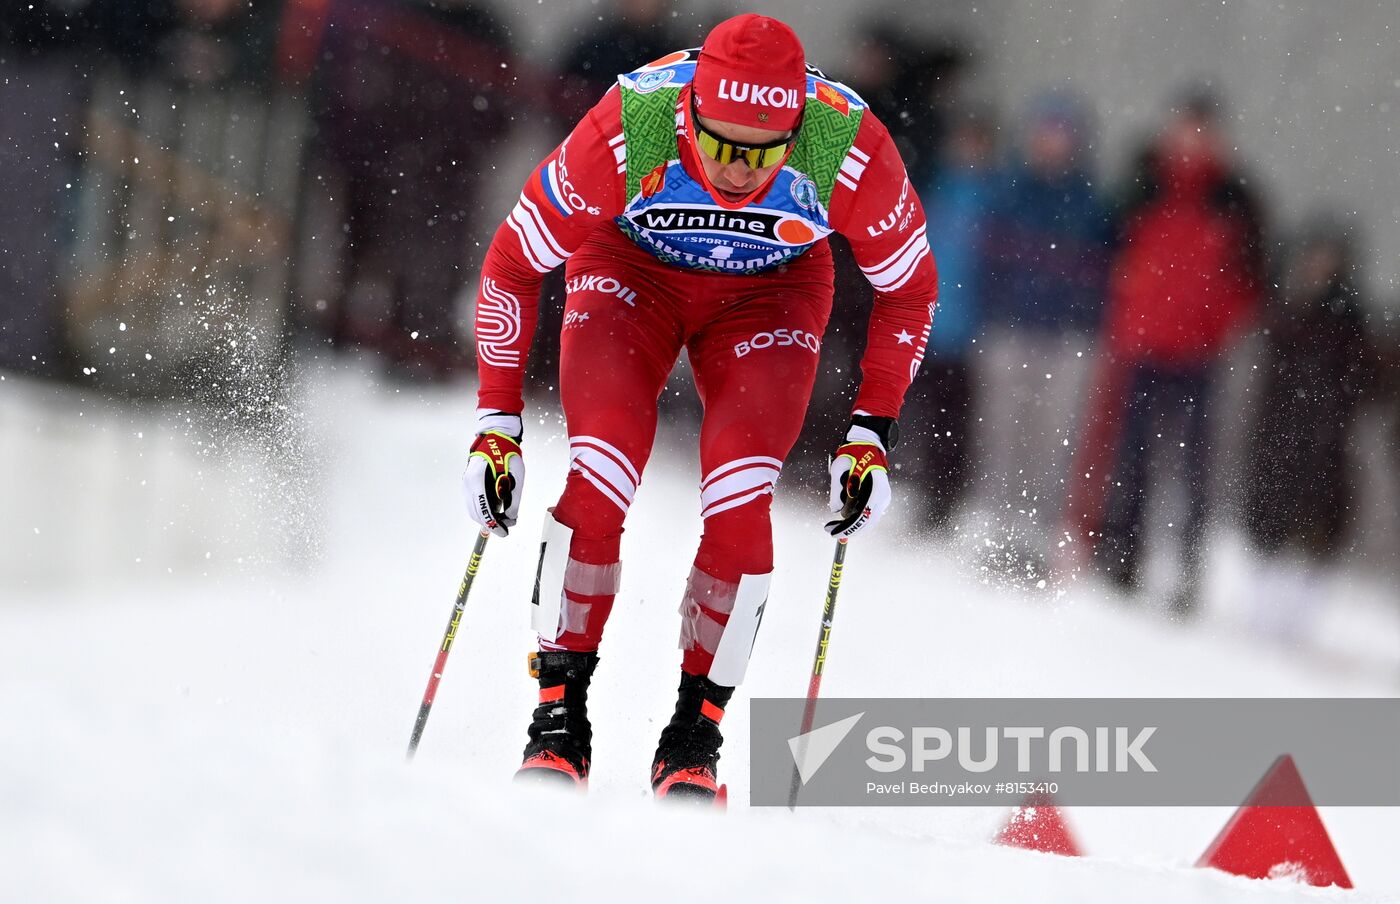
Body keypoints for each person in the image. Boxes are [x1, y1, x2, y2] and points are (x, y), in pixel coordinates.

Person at [461, 14, 936, 800]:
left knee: (741, 495)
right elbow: (512, 262)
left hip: (770, 293)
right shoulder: (634, 125)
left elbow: (910, 291)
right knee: (602, 468)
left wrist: (870, 431)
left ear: (797, 127)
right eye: (718, 144)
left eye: (763, 151)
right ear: (690, 113)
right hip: (630, 273)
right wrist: (496, 424)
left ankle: (695, 733)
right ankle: (558, 715)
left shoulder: (843, 142)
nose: (739, 169)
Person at [1084, 92, 1265, 616]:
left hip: (1200, 355)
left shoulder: (1234, 198)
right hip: (1140, 345)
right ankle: (1122, 556)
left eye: (1200, 133)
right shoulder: (1144, 185)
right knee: (1131, 458)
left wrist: (1216, 321)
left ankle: (1186, 570)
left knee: (1192, 469)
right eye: (1183, 131)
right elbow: (1108, 251)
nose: (1189, 143)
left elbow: (1252, 279)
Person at [975, 92, 1111, 577]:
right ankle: (995, 533)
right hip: (1010, 332)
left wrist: (1082, 323)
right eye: (1045, 129)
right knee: (1003, 437)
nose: (1052, 141)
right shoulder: (1010, 192)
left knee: (1052, 444)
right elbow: (987, 262)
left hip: (1066, 341)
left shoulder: (1092, 203)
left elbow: (1101, 273)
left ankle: (1035, 541)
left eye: (1061, 131)